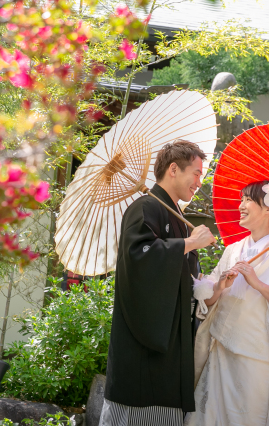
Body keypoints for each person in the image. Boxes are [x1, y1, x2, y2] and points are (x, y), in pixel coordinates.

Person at [186, 181, 269, 426]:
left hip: (256, 358)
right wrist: (219, 286)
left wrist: (257, 283)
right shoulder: (234, 249)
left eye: (248, 200)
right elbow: (208, 298)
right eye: (242, 199)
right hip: (222, 352)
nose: (241, 206)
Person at [101, 140, 216, 426]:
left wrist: (208, 285)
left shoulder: (175, 215)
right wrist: (189, 242)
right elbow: (139, 259)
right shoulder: (145, 208)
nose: (200, 182)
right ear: (174, 169)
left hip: (173, 338)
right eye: (197, 173)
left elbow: (185, 281)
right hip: (145, 339)